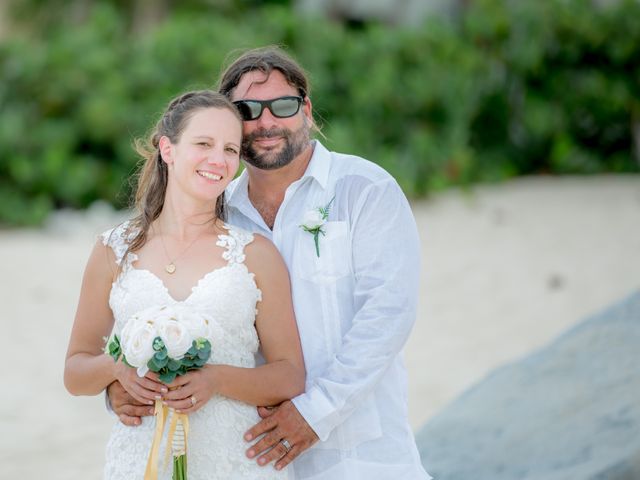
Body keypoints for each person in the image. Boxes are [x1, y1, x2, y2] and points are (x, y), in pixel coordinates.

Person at [110, 46, 431, 479]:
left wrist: (314, 414)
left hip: (361, 451)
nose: (266, 122)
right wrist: (119, 385)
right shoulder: (217, 212)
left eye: (283, 106)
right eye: (248, 109)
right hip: (249, 451)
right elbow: (173, 306)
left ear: (307, 111)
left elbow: (388, 317)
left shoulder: (365, 191)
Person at [64, 90, 305, 479]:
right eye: (203, 144)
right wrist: (118, 370)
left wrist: (216, 380)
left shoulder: (256, 254)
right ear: (168, 149)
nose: (218, 160)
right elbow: (74, 371)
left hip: (233, 458)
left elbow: (290, 375)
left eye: (230, 149)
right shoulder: (113, 250)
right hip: (142, 457)